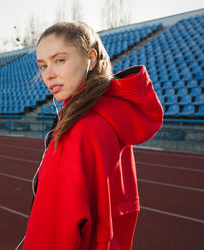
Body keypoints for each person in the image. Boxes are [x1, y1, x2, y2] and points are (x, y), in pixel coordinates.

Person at [22, 21, 163, 250]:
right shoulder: (112, 117)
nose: (48, 75)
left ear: (91, 57)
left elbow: (54, 231)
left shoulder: (80, 130)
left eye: (59, 60)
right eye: (42, 66)